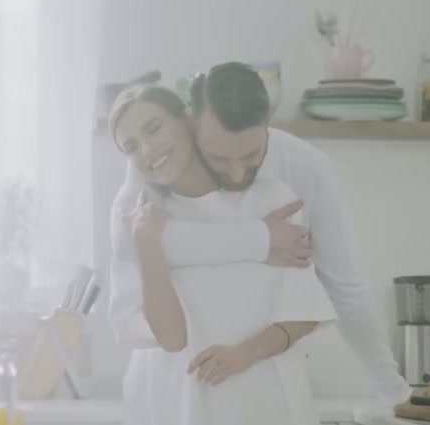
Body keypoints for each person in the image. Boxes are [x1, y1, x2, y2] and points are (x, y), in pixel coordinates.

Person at [108, 83, 340, 425]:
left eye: (153, 128)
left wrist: (246, 352)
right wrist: (147, 243)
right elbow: (171, 337)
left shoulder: (270, 200)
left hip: (277, 417)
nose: (147, 149)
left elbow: (305, 308)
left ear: (186, 121)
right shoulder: (143, 222)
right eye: (130, 146)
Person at [111, 61, 411, 405]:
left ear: (269, 120)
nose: (237, 173)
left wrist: (391, 388)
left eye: (252, 155)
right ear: (191, 123)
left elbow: (340, 286)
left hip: (261, 384)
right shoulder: (151, 169)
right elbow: (136, 243)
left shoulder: (302, 170)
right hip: (170, 385)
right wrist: (261, 240)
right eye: (219, 158)